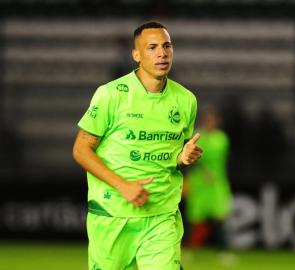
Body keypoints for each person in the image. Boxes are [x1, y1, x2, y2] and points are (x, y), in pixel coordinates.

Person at [72, 21, 202, 270]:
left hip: (161, 215)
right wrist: (123, 186)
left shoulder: (186, 100)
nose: (162, 53)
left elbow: (168, 154)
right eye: (152, 47)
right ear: (136, 55)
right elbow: (80, 149)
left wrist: (181, 156)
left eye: (167, 46)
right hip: (113, 215)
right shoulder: (111, 95)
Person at [184, 106, 232, 249]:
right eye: (208, 120)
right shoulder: (199, 137)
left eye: (213, 120)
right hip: (199, 183)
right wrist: (203, 171)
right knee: (196, 219)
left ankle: (223, 249)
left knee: (220, 217)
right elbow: (191, 158)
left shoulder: (221, 138)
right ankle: (189, 249)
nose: (210, 123)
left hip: (216, 183)